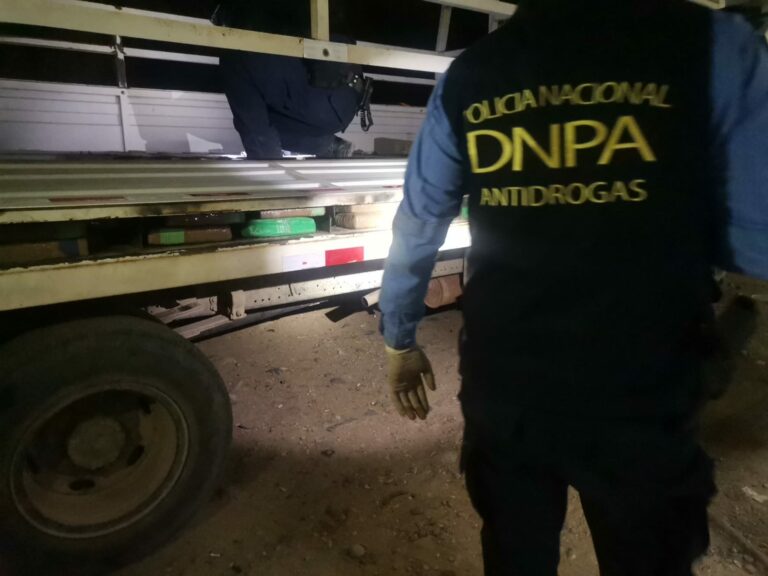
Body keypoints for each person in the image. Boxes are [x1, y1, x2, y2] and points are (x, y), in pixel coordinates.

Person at [379, 0, 768, 574]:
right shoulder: (712, 44)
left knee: (515, 552)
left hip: (506, 384)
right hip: (640, 390)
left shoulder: (472, 74)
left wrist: (399, 339)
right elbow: (757, 241)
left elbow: (418, 224)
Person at [212, 1, 369, 159]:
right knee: (261, 113)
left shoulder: (241, 41)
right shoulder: (267, 20)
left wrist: (268, 167)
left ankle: (316, 147)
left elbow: (254, 126)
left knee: (234, 62)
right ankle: (327, 145)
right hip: (348, 99)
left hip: (324, 97)